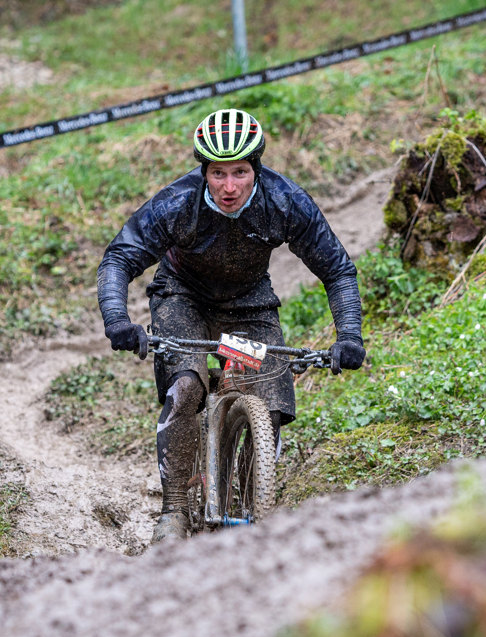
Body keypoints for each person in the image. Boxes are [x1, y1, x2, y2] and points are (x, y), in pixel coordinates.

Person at [96, 108, 366, 542]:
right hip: (182, 297)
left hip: (248, 306)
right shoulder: (177, 203)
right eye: (218, 174)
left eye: (240, 172)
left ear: (255, 168)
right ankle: (175, 511)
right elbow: (119, 258)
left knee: (272, 404)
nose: (229, 187)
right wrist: (117, 319)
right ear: (204, 171)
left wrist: (349, 335)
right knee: (186, 388)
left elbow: (337, 270)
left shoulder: (283, 200)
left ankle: (251, 499)